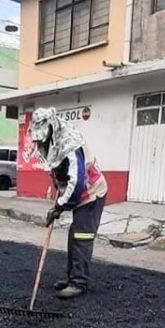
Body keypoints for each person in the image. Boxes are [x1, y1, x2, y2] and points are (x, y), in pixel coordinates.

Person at [30, 107, 107, 299]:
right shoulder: (50, 140)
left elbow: (77, 180)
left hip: (91, 193)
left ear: (51, 127)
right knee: (74, 236)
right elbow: (58, 172)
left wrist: (59, 206)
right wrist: (58, 198)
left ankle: (79, 282)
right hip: (79, 194)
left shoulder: (70, 143)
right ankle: (71, 277)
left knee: (81, 236)